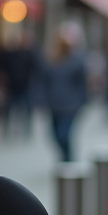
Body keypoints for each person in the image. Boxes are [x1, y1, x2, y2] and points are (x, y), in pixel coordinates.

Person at [39, 24, 88, 162]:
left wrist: (82, 101)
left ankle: (68, 158)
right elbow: (42, 81)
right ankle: (65, 157)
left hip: (70, 105)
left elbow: (82, 83)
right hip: (54, 104)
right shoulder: (50, 59)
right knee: (54, 135)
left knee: (63, 134)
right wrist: (41, 100)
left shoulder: (77, 60)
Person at [0, 29, 38, 139]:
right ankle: (7, 130)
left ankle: (27, 130)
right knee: (9, 109)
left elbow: (36, 68)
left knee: (26, 108)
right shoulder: (10, 54)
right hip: (12, 86)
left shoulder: (30, 54)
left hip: (25, 86)